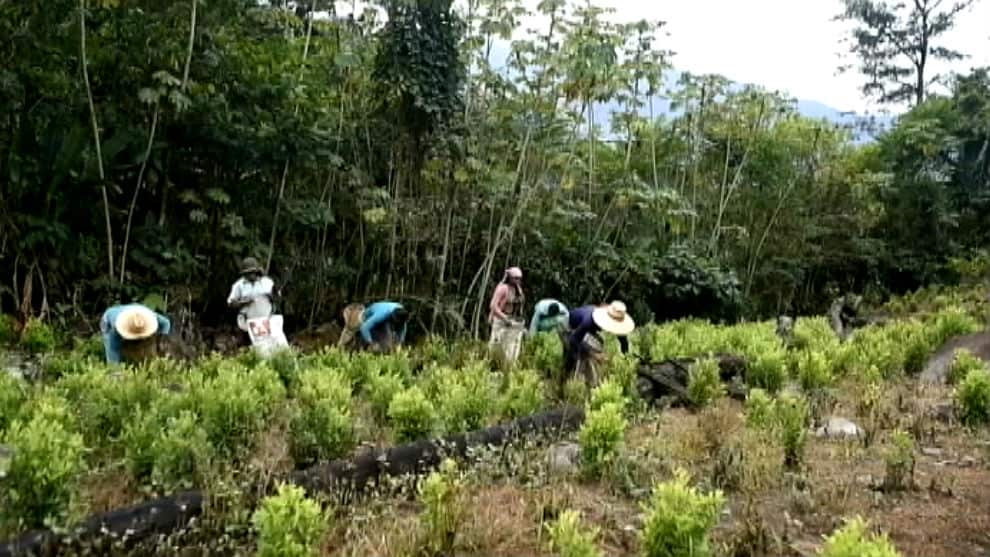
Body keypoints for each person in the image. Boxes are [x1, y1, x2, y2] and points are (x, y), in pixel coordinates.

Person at [563, 301, 635, 387]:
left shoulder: (610, 320)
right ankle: (570, 380)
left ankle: (587, 380)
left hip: (583, 331)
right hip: (569, 328)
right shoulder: (589, 320)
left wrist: (626, 360)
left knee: (598, 344)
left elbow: (624, 342)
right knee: (580, 353)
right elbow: (574, 340)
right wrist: (594, 355)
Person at [227, 257, 276, 347]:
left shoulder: (267, 283)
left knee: (265, 347)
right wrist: (243, 302)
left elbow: (275, 298)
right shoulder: (239, 285)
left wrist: (273, 296)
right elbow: (230, 303)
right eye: (247, 273)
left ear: (256, 272)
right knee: (248, 347)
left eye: (251, 273)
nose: (250, 275)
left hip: (264, 322)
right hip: (247, 323)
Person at [100, 304, 171, 365]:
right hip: (108, 320)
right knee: (113, 349)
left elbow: (166, 323)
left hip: (133, 309)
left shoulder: (149, 315)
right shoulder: (115, 327)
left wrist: (161, 340)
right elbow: (113, 349)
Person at [488, 266, 526, 365]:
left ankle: (508, 367)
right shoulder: (503, 288)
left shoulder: (518, 290)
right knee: (497, 346)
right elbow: (493, 306)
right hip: (501, 320)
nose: (518, 280)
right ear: (510, 278)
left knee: (512, 347)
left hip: (512, 320)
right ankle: (494, 365)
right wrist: (504, 318)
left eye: (519, 278)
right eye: (516, 278)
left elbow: (520, 305)